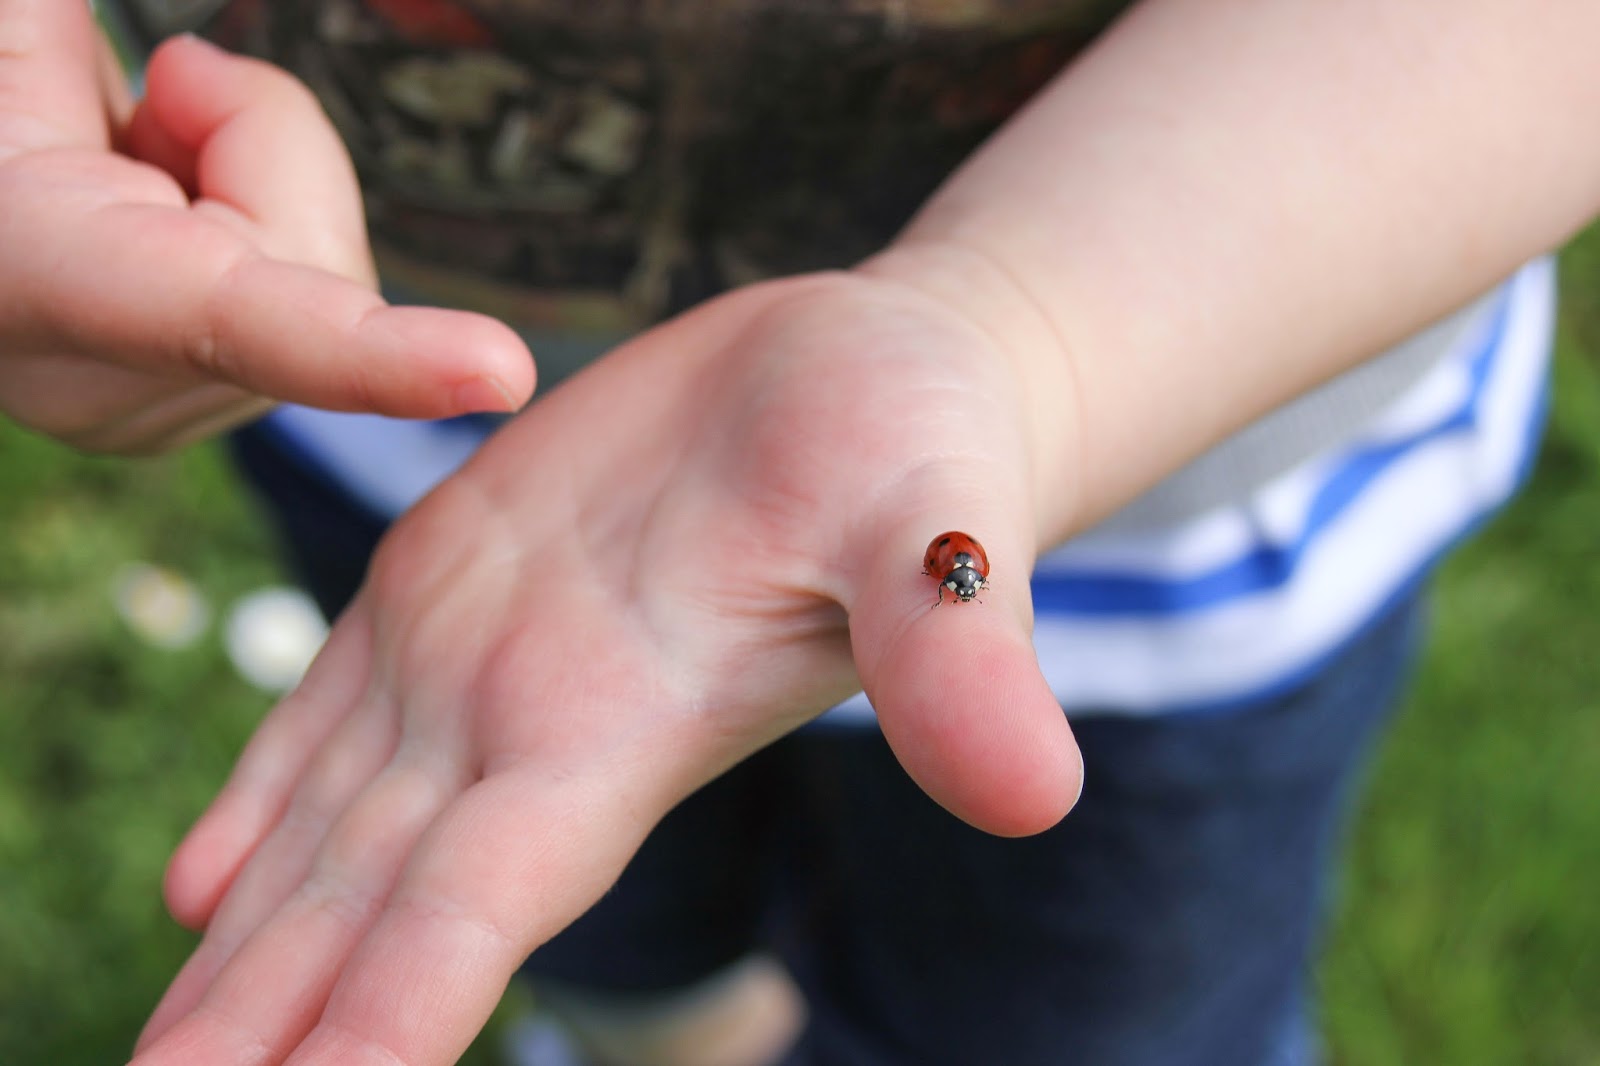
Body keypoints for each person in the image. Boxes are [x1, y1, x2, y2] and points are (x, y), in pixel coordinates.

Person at [2, 2, 1596, 1064]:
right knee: (599, 917)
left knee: (1084, 1004)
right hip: (419, 438)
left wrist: (1015, 325)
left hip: (1166, 487)